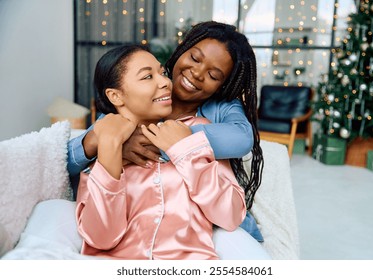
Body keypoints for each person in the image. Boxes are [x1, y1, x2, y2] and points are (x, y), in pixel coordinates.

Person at [68, 21, 264, 242]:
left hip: (208, 224)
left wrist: (170, 141)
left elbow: (242, 139)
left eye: (214, 75)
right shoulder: (144, 93)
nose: (198, 73)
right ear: (182, 50)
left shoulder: (219, 109)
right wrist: (111, 143)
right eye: (195, 58)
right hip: (136, 230)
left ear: (223, 85)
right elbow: (77, 153)